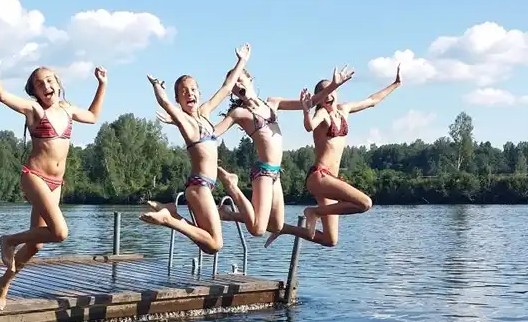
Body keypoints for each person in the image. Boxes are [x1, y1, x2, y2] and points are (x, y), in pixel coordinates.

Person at [0, 38, 108, 310]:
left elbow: (94, 116)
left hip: (55, 183)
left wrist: (102, 85)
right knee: (60, 233)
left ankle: (4, 283)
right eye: (40, 84)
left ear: (59, 84)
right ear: (35, 92)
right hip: (34, 176)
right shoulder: (35, 110)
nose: (47, 86)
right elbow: (1, 95)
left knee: (37, 244)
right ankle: (9, 240)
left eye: (50, 80)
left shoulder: (68, 109)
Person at [266, 64, 402, 249]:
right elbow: (309, 126)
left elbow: (372, 100)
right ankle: (313, 212)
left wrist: (395, 84)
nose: (329, 96)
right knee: (365, 203)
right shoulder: (322, 113)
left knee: (330, 240)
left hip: (332, 181)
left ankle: (284, 229)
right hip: (319, 177)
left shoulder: (344, 109)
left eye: (332, 91)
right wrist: (306, 110)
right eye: (324, 93)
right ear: (320, 99)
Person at [208, 67, 353, 237]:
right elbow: (212, 133)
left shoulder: (272, 103)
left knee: (276, 226)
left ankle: (228, 214)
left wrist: (333, 86)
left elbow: (309, 103)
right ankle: (231, 184)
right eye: (233, 83)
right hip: (263, 171)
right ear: (231, 90)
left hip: (277, 173)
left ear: (250, 79)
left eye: (240, 79)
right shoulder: (239, 113)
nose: (238, 84)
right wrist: (189, 121)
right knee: (258, 229)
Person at [139, 44, 251, 254]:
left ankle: (172, 212)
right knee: (215, 244)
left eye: (192, 89)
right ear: (179, 100)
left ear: (199, 92)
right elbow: (165, 103)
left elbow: (227, 88)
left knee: (208, 243)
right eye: (183, 92)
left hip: (204, 186)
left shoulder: (205, 113)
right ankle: (168, 218)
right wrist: (157, 86)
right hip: (199, 186)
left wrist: (242, 61)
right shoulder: (185, 121)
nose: (189, 93)